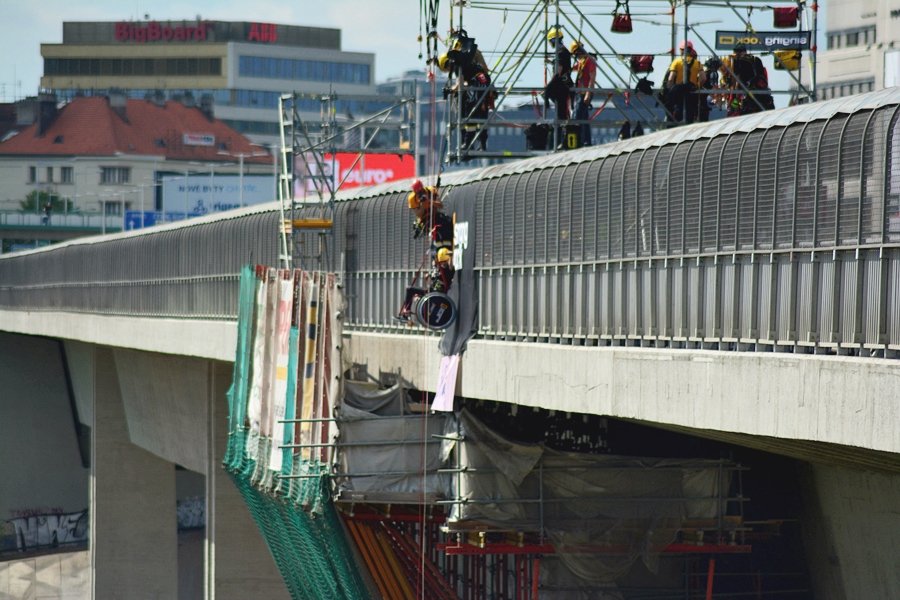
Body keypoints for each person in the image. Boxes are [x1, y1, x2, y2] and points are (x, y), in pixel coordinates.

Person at [396, 180, 455, 322]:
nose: (420, 193)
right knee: (411, 289)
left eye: (420, 191)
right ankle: (405, 311)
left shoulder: (430, 192)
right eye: (417, 192)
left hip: (435, 218)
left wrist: (429, 201)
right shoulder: (413, 199)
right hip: (425, 219)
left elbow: (439, 205)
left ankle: (406, 311)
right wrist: (423, 205)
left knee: (442, 233)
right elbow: (418, 212)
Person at [722, 44, 774, 116]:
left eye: (736, 53)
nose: (736, 55)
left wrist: (734, 98)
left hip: (747, 94)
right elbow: (762, 76)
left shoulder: (738, 61)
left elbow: (736, 80)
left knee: (743, 114)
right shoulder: (756, 59)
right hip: (760, 93)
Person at [664, 40, 705, 124]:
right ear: (691, 50)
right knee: (690, 112)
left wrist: (669, 89)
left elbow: (671, 78)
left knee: (677, 109)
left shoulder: (676, 62)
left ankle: (675, 124)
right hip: (691, 90)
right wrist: (698, 86)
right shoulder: (697, 63)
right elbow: (703, 78)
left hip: (679, 90)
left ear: (681, 50)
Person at [544, 26, 573, 136]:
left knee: (562, 112)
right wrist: (551, 62)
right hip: (562, 83)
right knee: (561, 112)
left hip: (562, 84)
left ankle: (563, 135)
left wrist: (551, 83)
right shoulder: (562, 52)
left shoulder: (561, 52)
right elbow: (561, 64)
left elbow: (559, 69)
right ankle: (562, 134)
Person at [570, 41, 597, 146]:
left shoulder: (590, 61)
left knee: (577, 117)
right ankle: (586, 141)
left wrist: (587, 94)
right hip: (580, 92)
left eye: (576, 54)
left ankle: (580, 140)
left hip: (585, 93)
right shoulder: (582, 61)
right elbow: (573, 68)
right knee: (583, 117)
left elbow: (592, 79)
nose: (576, 56)